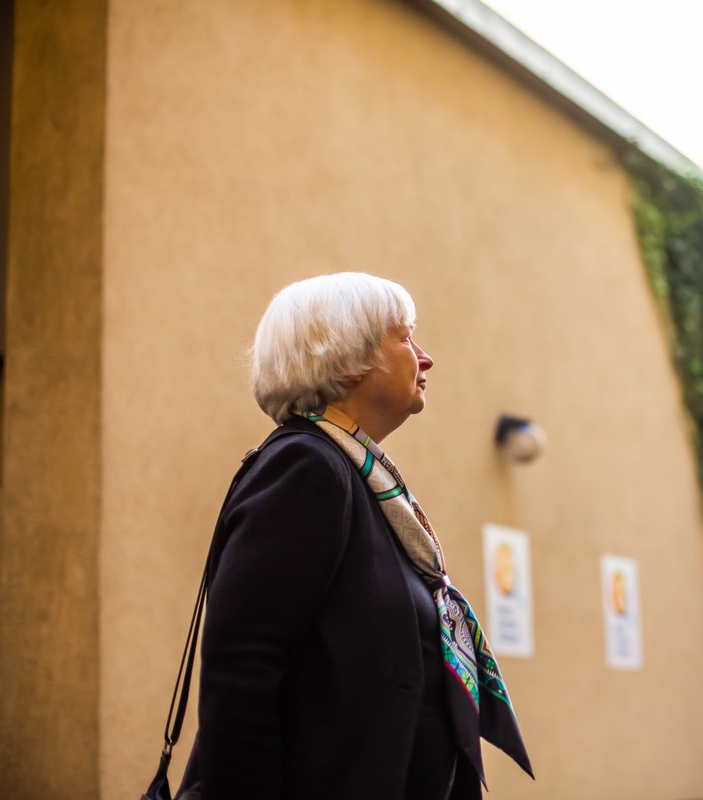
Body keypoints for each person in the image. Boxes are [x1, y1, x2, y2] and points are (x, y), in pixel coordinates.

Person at [178, 272, 531, 799]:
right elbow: (242, 673)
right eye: (406, 336)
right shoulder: (306, 467)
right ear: (347, 352)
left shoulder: (362, 481)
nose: (425, 357)